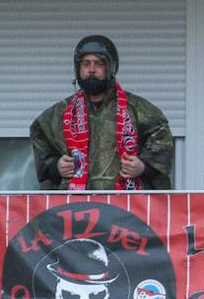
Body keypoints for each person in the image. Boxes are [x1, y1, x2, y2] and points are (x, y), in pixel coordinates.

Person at [31, 35, 174, 190]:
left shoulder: (137, 109)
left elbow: (162, 142)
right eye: (86, 64)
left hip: (125, 206)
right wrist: (55, 166)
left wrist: (143, 167)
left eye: (98, 64)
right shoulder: (59, 113)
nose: (91, 70)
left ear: (111, 67)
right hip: (75, 209)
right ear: (77, 68)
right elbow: (41, 142)